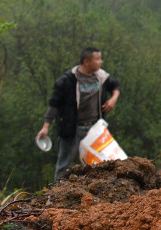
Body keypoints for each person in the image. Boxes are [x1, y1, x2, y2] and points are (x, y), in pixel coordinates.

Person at [35, 47, 121, 180]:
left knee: (100, 164)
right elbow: (54, 104)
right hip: (72, 129)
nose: (100, 62)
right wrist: (46, 126)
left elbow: (116, 86)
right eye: (97, 59)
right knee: (64, 166)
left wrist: (113, 99)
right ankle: (57, 194)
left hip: (95, 129)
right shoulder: (67, 81)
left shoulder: (101, 77)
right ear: (86, 61)